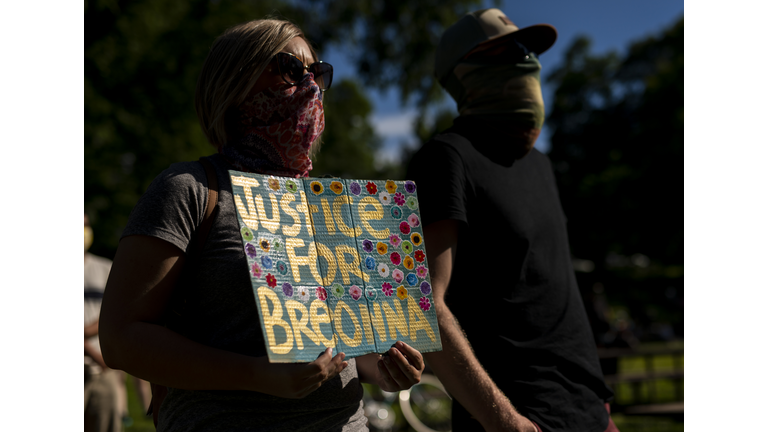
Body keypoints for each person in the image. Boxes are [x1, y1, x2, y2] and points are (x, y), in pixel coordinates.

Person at [99, 18, 424, 432]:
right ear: (233, 79)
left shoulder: (337, 206)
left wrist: (385, 367)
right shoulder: (190, 189)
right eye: (291, 68)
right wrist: (258, 375)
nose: (309, 85)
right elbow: (121, 338)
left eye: (318, 73)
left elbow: (349, 345)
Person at [407, 9, 618, 432]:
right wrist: (504, 422)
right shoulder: (447, 158)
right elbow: (425, 303)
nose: (527, 60)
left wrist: (600, 405)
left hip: (589, 414)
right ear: (463, 72)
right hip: (522, 418)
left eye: (528, 49)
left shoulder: (540, 164)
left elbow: (554, 295)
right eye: (508, 50)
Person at [84, 214, 122, 432]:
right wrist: (91, 351)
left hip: (102, 373)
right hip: (99, 361)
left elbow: (114, 312)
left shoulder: (104, 267)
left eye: (85, 225)